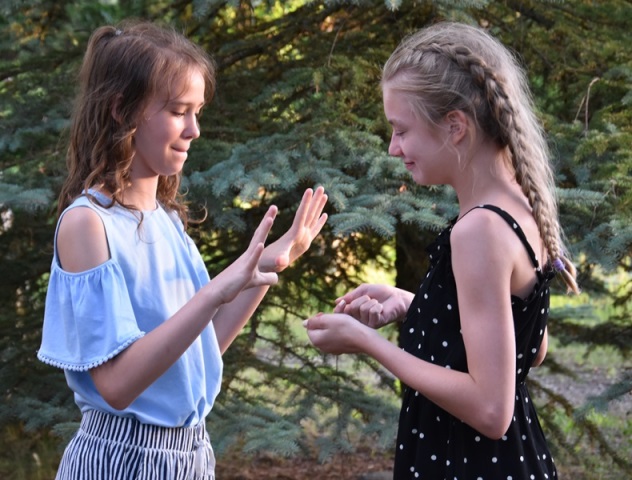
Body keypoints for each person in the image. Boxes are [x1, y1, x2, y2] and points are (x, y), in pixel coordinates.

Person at [37, 20, 328, 480]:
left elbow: (200, 347)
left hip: (189, 456)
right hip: (123, 460)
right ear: (122, 109)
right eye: (178, 111)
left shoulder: (167, 220)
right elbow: (116, 385)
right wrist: (213, 293)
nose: (194, 129)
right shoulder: (88, 224)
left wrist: (270, 264)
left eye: (198, 112)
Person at [304, 21, 579, 479]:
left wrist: (366, 342)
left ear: (455, 126)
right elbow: (529, 350)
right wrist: (414, 305)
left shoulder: (478, 230)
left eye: (401, 130)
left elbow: (492, 411)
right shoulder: (520, 204)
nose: (393, 148)